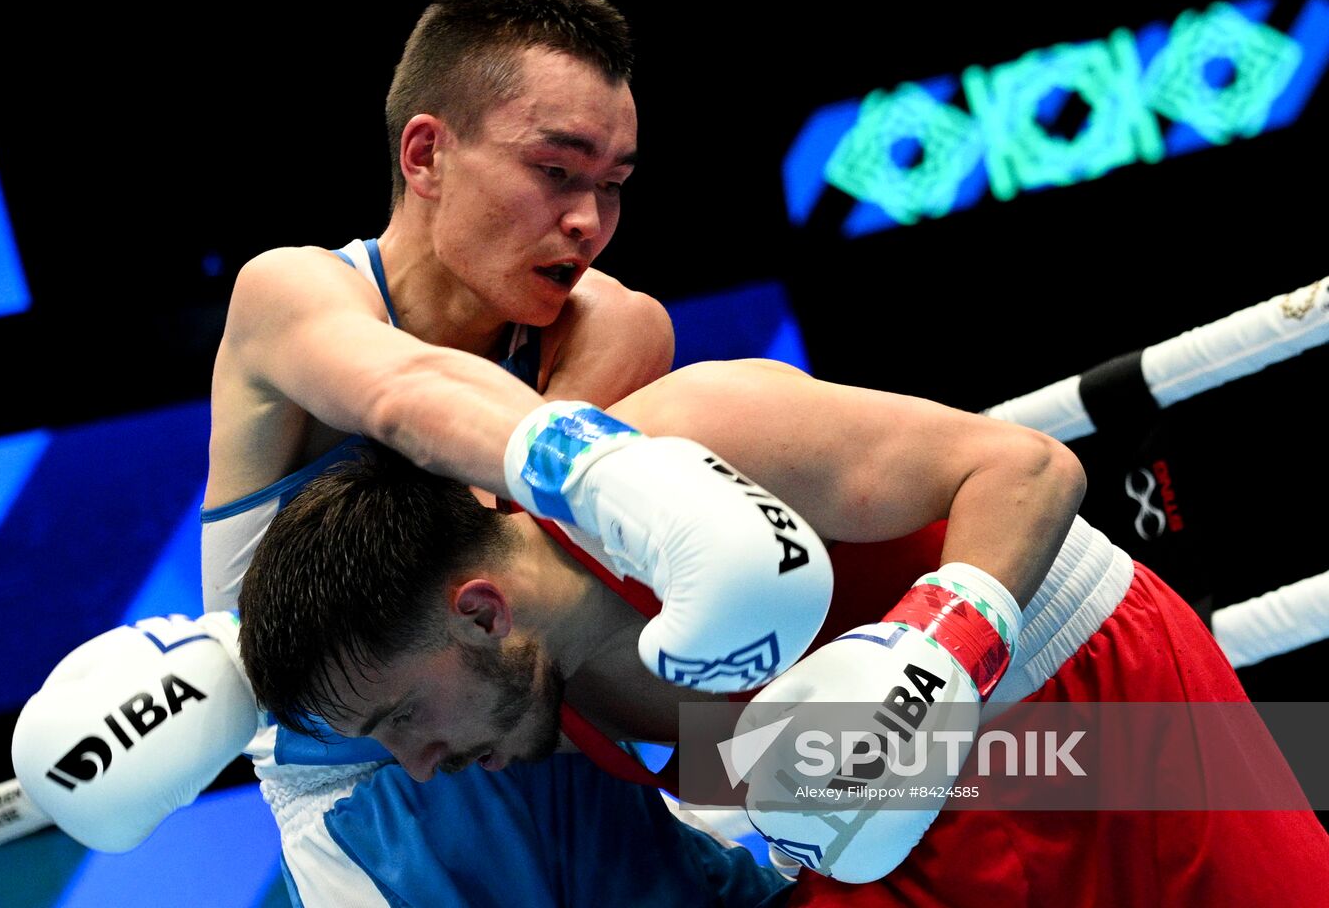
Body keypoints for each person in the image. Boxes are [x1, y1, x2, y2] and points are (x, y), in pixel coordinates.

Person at [13, 0, 801, 908]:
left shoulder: (616, 328)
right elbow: (402, 395)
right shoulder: (292, 296)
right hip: (373, 805)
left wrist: (805, 768)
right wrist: (606, 470)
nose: (587, 221)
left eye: (614, 185)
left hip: (573, 744)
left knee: (916, 780)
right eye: (556, 171)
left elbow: (537, 582)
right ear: (426, 153)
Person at [239, 358, 1329, 907]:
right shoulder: (557, 708)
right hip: (897, 820)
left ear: (481, 609)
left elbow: (1029, 467)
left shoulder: (686, 439)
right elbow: (811, 760)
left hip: (1091, 715)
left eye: (401, 716)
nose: (421, 766)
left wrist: (929, 655)